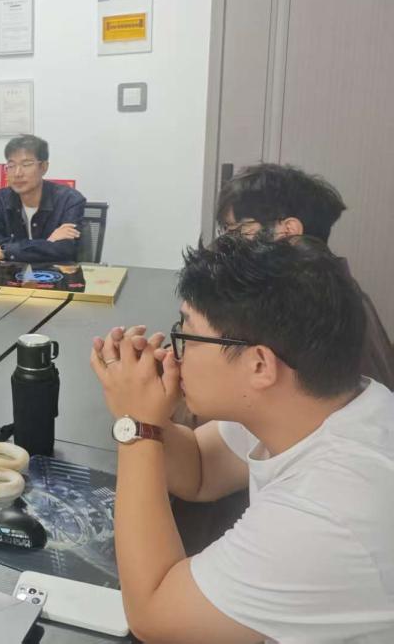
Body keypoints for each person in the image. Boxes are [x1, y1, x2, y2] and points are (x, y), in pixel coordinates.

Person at [90, 236, 394, 642]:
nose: (175, 354)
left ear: (260, 365)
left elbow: (153, 615)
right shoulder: (326, 401)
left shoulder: (328, 511)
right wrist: (144, 406)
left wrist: (137, 426)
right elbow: (200, 468)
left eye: (188, 336)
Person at [217, 162, 394, 389]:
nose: (225, 244)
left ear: (287, 231)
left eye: (236, 231)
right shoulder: (338, 290)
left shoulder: (309, 308)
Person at [0, 134, 85, 264]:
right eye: (11, 165)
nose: (17, 173)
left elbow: (66, 249)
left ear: (43, 167)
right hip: (9, 273)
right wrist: (47, 243)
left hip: (54, 274)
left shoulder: (69, 200)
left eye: (26, 164)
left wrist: (5, 251)